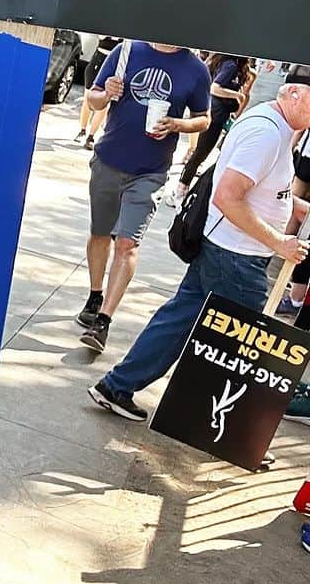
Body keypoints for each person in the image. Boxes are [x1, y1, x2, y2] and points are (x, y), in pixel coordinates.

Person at [89, 74, 310, 420]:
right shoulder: (266, 132)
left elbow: (259, 187)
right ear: (294, 93)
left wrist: (292, 206)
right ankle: (230, 430)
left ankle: (116, 386)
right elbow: (227, 196)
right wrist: (278, 241)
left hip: (227, 253)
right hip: (236, 258)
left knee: (178, 321)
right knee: (246, 347)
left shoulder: (276, 125)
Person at [77, 41, 211, 352]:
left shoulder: (195, 69)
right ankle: (95, 294)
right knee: (100, 234)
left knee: (127, 242)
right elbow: (94, 100)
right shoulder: (125, 52)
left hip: (150, 171)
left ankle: (103, 322)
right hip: (109, 160)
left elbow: (204, 118)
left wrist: (177, 124)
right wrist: (105, 93)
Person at [174, 54, 252, 196]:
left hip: (220, 115)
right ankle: (181, 188)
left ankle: (183, 186)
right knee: (200, 153)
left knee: (200, 153)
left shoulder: (233, 65)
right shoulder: (231, 66)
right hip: (216, 115)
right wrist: (237, 96)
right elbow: (214, 88)